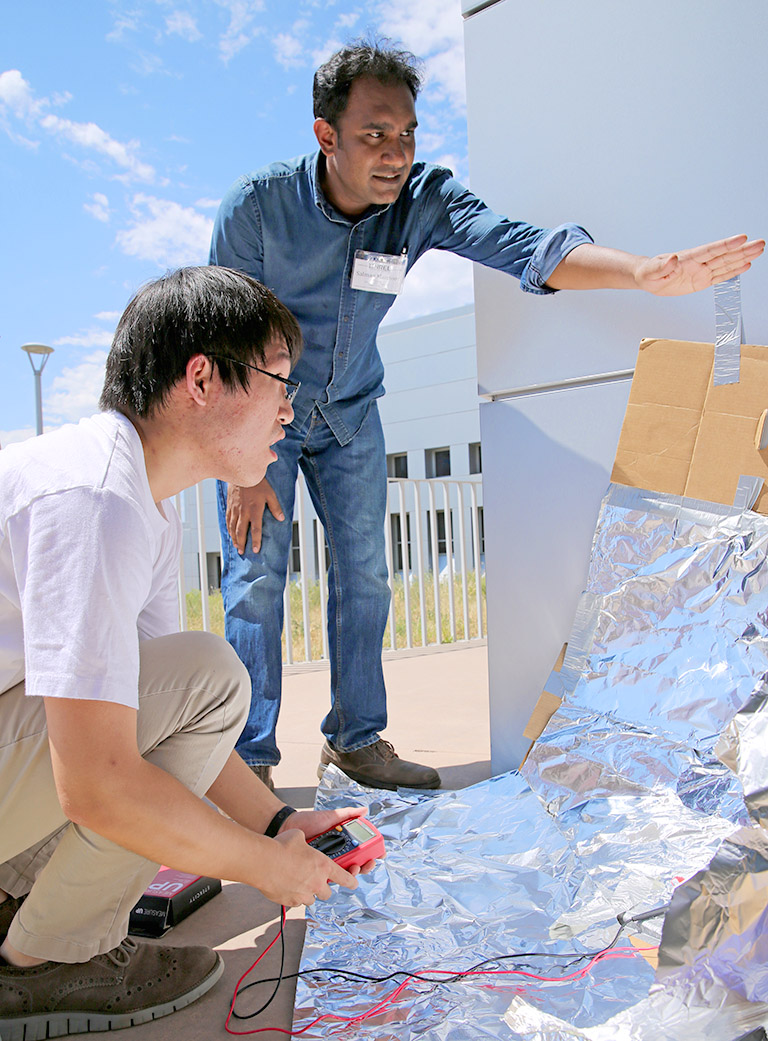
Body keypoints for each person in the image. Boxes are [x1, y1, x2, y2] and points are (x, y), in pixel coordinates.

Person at [210, 38, 765, 793]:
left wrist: (642, 274)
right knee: (256, 580)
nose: (395, 153)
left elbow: (525, 248)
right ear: (326, 135)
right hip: (255, 420)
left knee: (367, 576)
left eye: (407, 134)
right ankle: (247, 765)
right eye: (374, 134)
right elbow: (225, 337)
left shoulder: (420, 201)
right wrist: (239, 466)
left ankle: (356, 740)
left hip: (348, 413)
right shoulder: (256, 209)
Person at [0, 266, 378, 1040]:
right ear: (200, 378)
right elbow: (99, 781)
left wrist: (276, 823)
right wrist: (260, 866)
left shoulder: (143, 500)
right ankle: (44, 964)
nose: (289, 409)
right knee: (208, 671)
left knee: (198, 676)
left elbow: (160, 716)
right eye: (279, 381)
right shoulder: (96, 498)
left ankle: (21, 902)